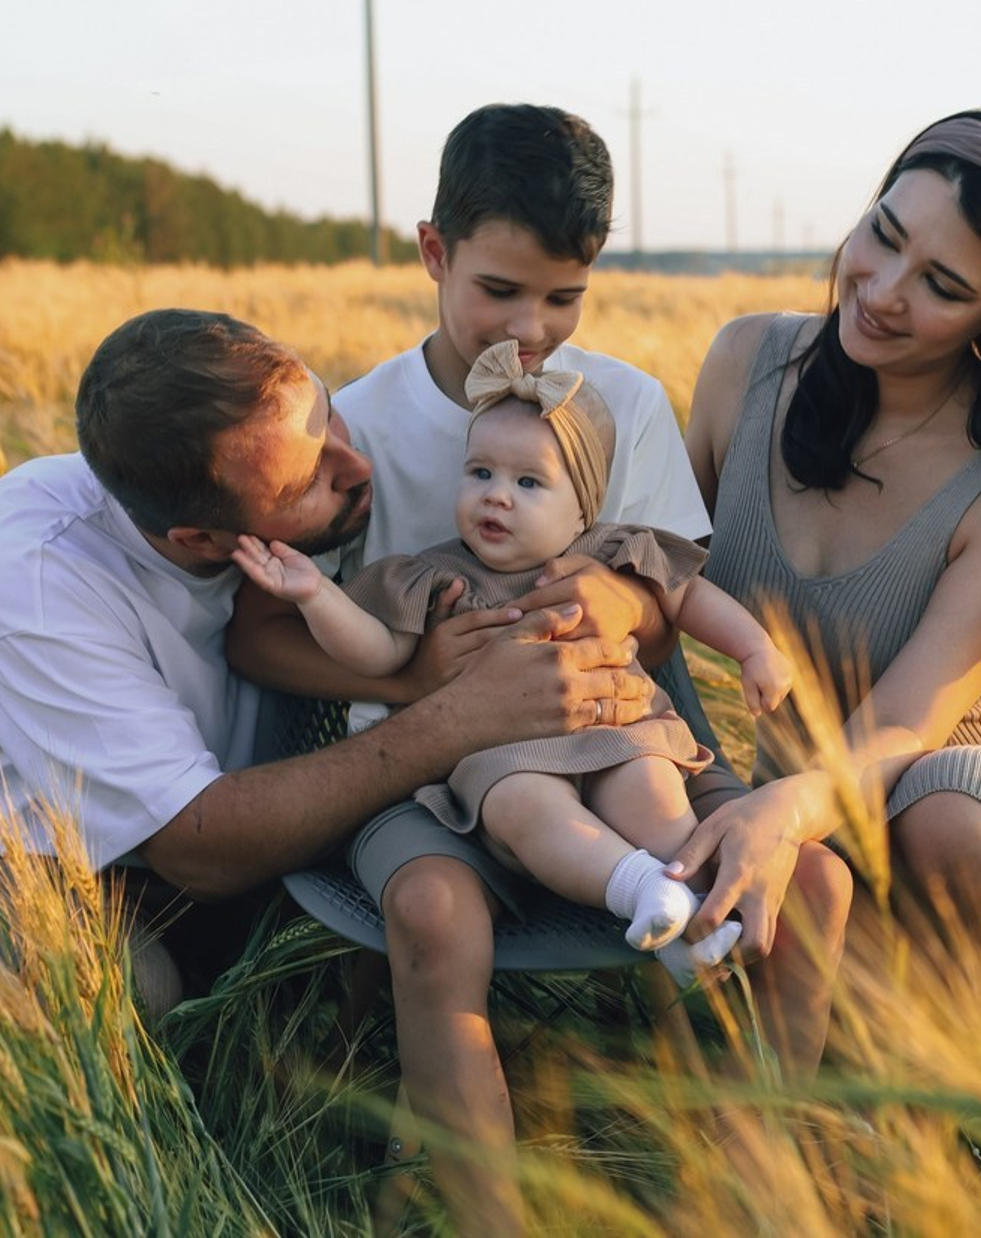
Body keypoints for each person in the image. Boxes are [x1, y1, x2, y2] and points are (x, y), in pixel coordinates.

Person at [220, 104, 839, 1237]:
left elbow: (661, 583)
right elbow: (260, 633)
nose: (535, 324)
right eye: (500, 289)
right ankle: (487, 1206)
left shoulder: (624, 405)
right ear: (433, 253)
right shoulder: (355, 423)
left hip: (614, 736)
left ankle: (754, 1170)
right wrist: (421, 691)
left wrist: (623, 597)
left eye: (565, 296)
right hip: (425, 779)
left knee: (817, 884)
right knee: (438, 914)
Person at [671, 109, 981, 1075]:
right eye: (883, 235)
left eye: (942, 286)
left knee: (934, 800)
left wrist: (775, 813)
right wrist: (702, 787)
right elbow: (657, 593)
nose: (883, 292)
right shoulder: (745, 367)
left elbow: (900, 729)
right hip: (824, 819)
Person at [0, 308, 651, 1012]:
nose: (355, 464)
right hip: (70, 867)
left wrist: (618, 594)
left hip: (265, 845)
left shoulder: (294, 451)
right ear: (202, 540)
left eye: (330, 414)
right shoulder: (41, 586)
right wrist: (455, 718)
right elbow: (197, 844)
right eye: (305, 485)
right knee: (125, 999)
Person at [234, 338, 793, 985]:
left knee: (653, 792)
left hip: (620, 729)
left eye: (528, 483)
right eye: (481, 474)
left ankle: (689, 913)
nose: (497, 496)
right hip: (504, 757)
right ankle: (638, 888)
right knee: (524, 809)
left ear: (582, 508)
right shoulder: (433, 578)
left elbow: (688, 594)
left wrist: (755, 649)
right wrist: (316, 596)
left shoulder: (610, 553)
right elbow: (377, 650)